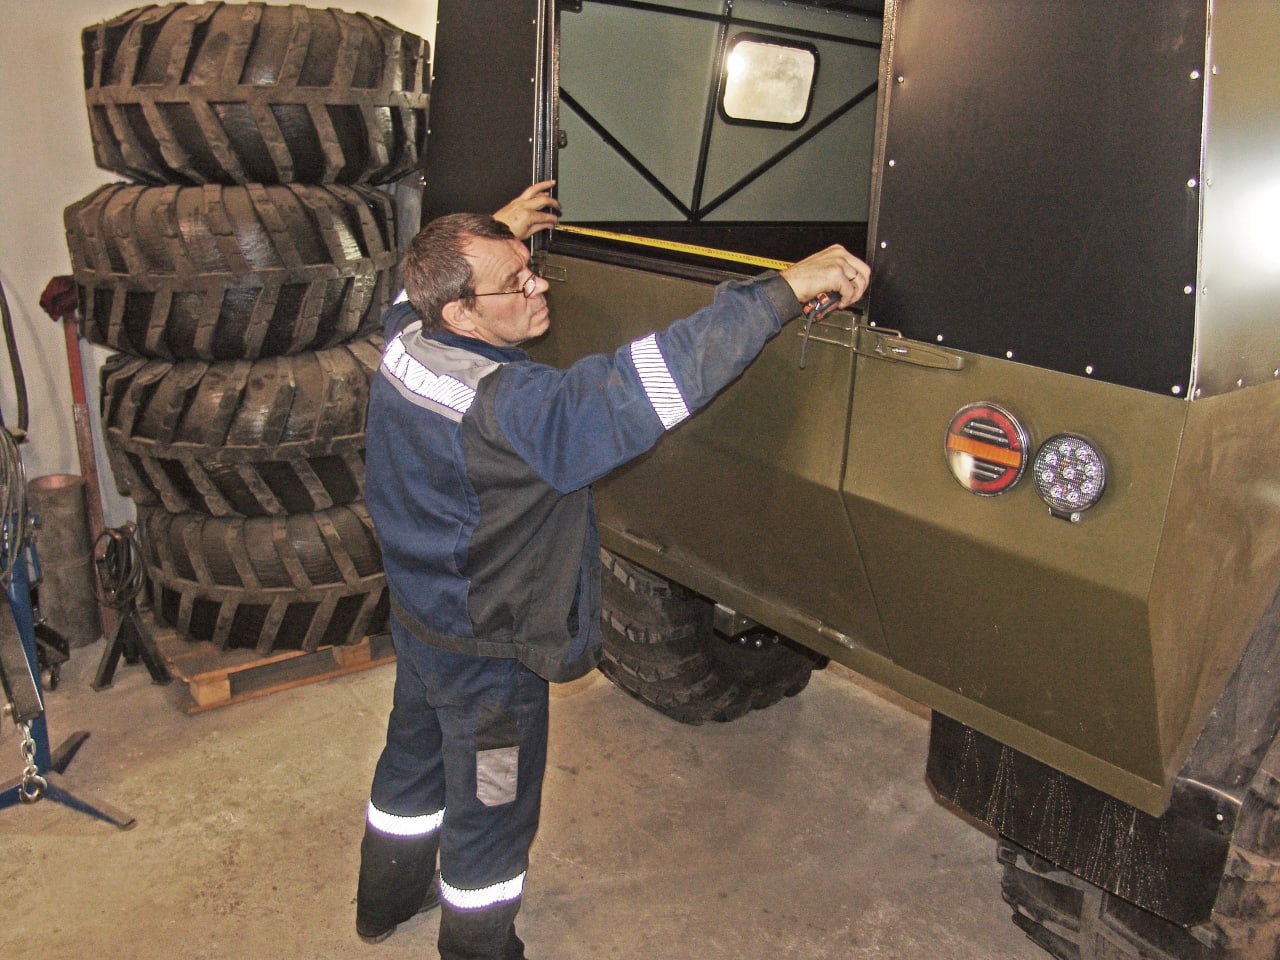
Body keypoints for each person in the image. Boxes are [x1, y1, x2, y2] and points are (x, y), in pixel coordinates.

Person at [355, 182, 870, 959]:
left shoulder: (405, 339)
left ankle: (383, 903)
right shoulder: (514, 406)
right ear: (459, 313)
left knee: (411, 761)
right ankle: (478, 944)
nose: (539, 286)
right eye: (516, 282)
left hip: (421, 619)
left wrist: (501, 231)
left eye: (529, 267)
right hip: (489, 652)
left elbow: (409, 289)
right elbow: (646, 383)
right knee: (492, 805)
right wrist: (779, 293)